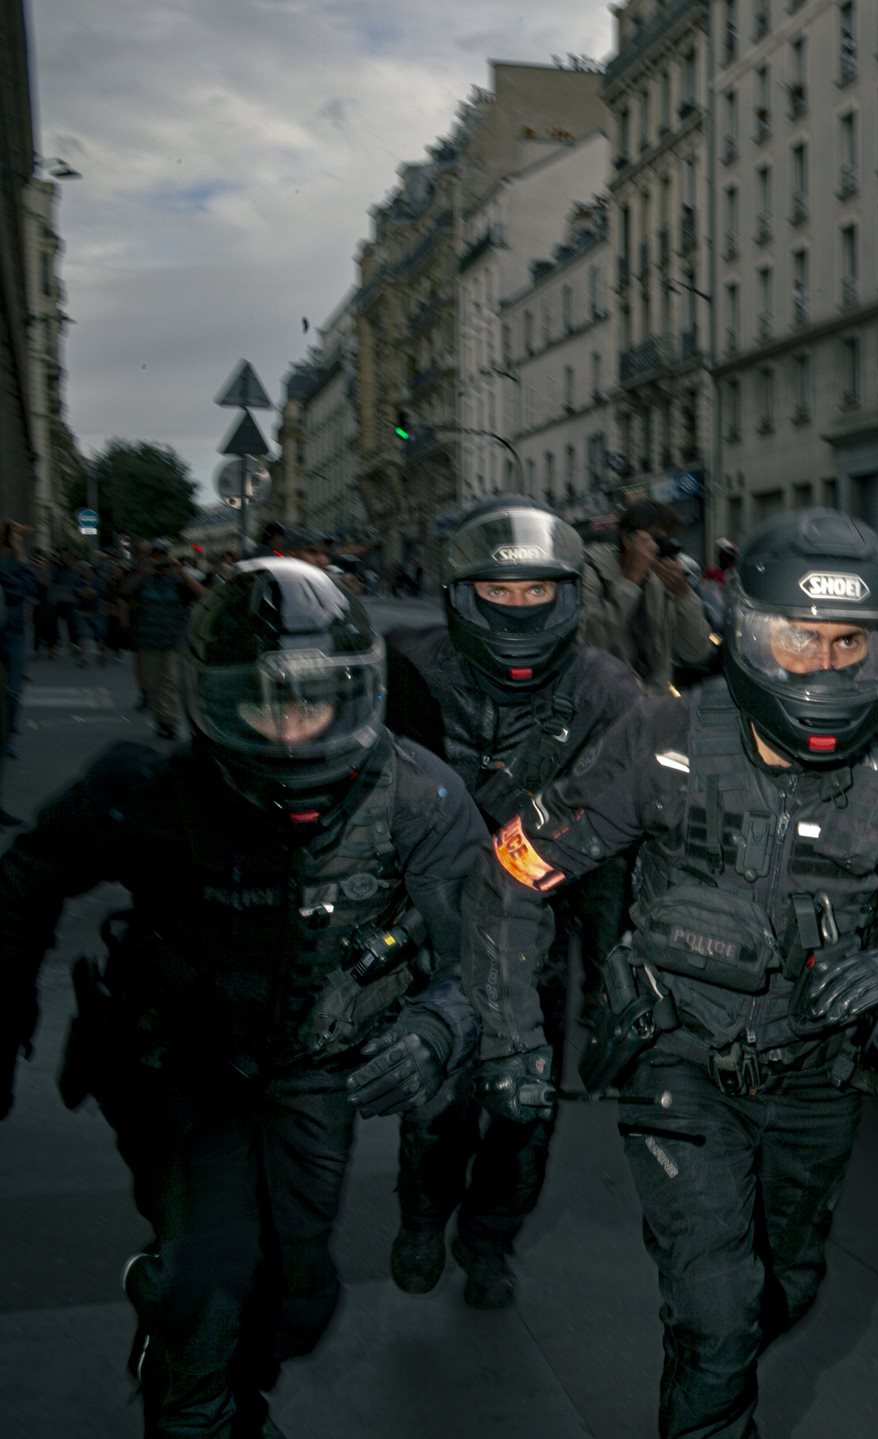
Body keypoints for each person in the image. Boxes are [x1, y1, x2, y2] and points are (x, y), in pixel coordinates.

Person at [461, 508, 878, 1439]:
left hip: (819, 1078)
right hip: (678, 1063)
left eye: (849, 641)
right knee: (720, 1308)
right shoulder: (664, 740)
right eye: (798, 638)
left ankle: (706, 1356)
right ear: (749, 634)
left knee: (787, 1287)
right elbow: (513, 867)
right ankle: (707, 1361)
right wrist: (512, 1037)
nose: (824, 664)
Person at [0, 559, 488, 1438]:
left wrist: (436, 1028)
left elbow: (485, 959)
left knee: (298, 1300)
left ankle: (228, 1374)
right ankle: (195, 1385)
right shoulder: (147, 791)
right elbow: (27, 878)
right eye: (263, 701)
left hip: (313, 1072)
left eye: (311, 699)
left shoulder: (421, 797)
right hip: (180, 1069)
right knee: (209, 1283)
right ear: (215, 699)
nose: (292, 727)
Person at [381, 497, 641, 1309]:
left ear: (567, 594)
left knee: (526, 1111)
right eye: (501, 589)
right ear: (464, 592)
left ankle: (490, 1238)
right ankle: (424, 1213)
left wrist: (612, 985)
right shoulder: (406, 667)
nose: (521, 605)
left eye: (537, 591)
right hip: (436, 920)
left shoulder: (605, 687)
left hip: (542, 926)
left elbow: (624, 839)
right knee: (438, 1102)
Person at [579, 498, 710, 695]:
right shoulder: (590, 573)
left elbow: (695, 650)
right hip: (603, 704)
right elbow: (591, 643)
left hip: (652, 707)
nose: (660, 548)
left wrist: (684, 594)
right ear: (628, 539)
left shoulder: (658, 583)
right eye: (655, 539)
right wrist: (630, 582)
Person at [122, 539, 207, 740]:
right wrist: (143, 572)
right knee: (152, 683)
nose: (159, 561)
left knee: (171, 681)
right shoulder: (141, 576)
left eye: (162, 556)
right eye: (155, 556)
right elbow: (124, 592)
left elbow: (203, 594)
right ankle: (160, 719)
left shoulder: (178, 579)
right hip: (147, 638)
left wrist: (181, 571)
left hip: (174, 639)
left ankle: (169, 721)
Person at [0, 521, 37, 755]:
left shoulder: (18, 560)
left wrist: (21, 554)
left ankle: (8, 736)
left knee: (13, 689)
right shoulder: (17, 564)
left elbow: (27, 588)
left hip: (14, 632)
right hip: (11, 629)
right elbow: (21, 588)